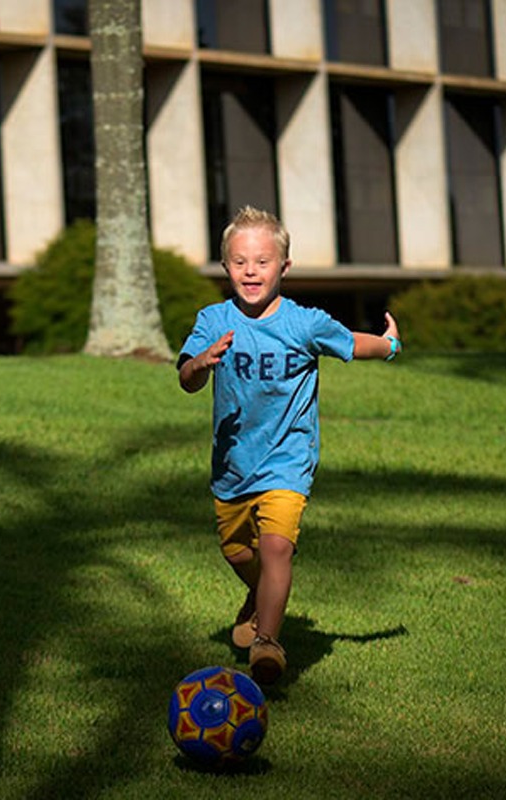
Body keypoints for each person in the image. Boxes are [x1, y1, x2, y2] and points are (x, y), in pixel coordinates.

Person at [177, 206, 401, 685]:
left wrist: (389, 345)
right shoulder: (213, 320)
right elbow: (186, 379)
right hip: (233, 466)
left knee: (276, 547)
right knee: (239, 552)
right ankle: (259, 601)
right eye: (239, 262)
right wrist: (201, 362)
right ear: (225, 268)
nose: (251, 271)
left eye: (262, 261)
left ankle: (268, 643)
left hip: (288, 463)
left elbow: (350, 343)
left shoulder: (304, 323)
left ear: (284, 266)